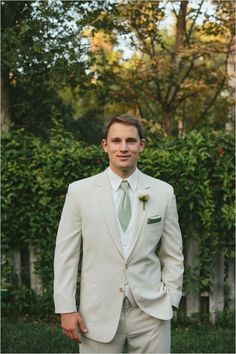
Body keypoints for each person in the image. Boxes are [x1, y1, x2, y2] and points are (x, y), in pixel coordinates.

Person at [53, 113, 184, 353]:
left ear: (141, 145)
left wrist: (171, 299)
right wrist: (66, 308)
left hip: (151, 312)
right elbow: (66, 255)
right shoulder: (79, 192)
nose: (123, 148)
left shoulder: (163, 192)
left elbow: (173, 254)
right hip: (95, 313)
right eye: (116, 141)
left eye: (130, 141)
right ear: (105, 145)